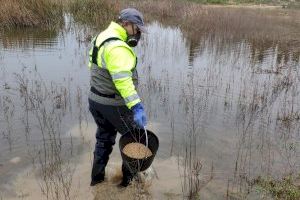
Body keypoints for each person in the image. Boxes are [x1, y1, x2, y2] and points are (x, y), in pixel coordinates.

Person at [87, 8, 147, 187]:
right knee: (135, 140)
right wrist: (136, 106)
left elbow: (92, 64)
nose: (138, 33)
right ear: (126, 24)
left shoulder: (102, 36)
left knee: (104, 139)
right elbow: (123, 82)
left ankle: (96, 181)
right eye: (137, 29)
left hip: (96, 100)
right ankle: (127, 184)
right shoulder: (118, 47)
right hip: (114, 104)